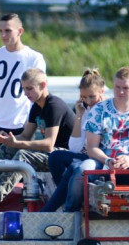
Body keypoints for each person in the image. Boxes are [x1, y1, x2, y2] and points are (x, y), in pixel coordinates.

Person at [0, 68, 75, 212]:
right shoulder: (36, 107)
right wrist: (9, 140)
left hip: (63, 157)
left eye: (29, 89)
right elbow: (26, 136)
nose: (26, 93)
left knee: (22, 156)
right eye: (23, 89)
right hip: (52, 153)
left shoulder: (54, 106)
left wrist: (18, 143)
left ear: (43, 85)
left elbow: (48, 145)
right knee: (8, 147)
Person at [65, 67, 129, 211]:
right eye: (117, 87)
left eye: (126, 88)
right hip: (102, 161)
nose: (120, 92)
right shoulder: (99, 110)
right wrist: (107, 160)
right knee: (81, 170)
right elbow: (92, 147)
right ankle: (71, 212)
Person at [0, 13, 46, 156]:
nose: (3, 35)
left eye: (8, 30)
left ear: (20, 31)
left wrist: (32, 121)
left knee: (21, 173)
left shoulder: (34, 57)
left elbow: (41, 95)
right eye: (0, 31)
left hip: (23, 126)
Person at [42, 69, 108, 212]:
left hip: (101, 157)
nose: (88, 101)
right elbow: (74, 148)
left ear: (102, 92)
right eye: (84, 97)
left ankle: (51, 209)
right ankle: (65, 198)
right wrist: (79, 116)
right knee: (55, 157)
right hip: (87, 155)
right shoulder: (85, 110)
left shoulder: (108, 111)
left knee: (74, 168)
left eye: (92, 96)